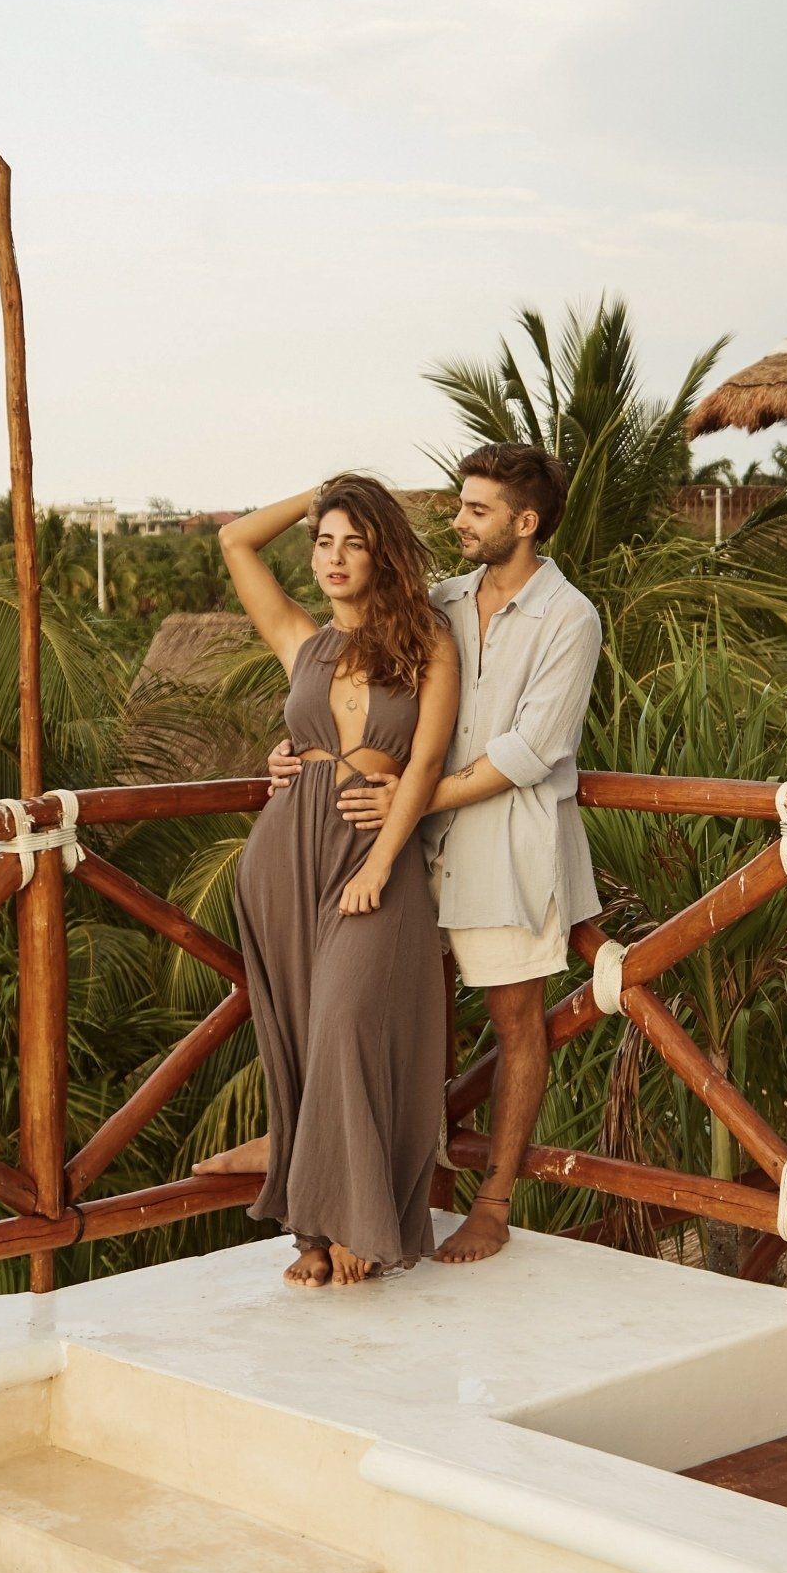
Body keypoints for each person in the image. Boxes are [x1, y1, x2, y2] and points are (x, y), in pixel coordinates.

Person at [284, 443, 602, 1266]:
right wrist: (296, 754)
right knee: (373, 1016)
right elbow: (355, 678)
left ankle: (491, 1206)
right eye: (461, 505)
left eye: (477, 510)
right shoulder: (442, 603)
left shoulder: (571, 618)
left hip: (509, 850)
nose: (457, 520)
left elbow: (533, 749)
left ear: (524, 524)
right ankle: (369, 1194)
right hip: (409, 849)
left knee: (515, 1024)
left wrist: (415, 797)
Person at [218, 477, 459, 1288]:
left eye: (353, 542)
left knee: (347, 1023)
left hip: (372, 856)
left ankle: (364, 1218)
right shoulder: (301, 641)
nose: (333, 558)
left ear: (382, 553)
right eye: (324, 541)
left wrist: (385, 863)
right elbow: (234, 543)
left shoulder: (428, 643)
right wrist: (316, 494)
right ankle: (314, 1233)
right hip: (284, 856)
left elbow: (424, 763)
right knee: (299, 1037)